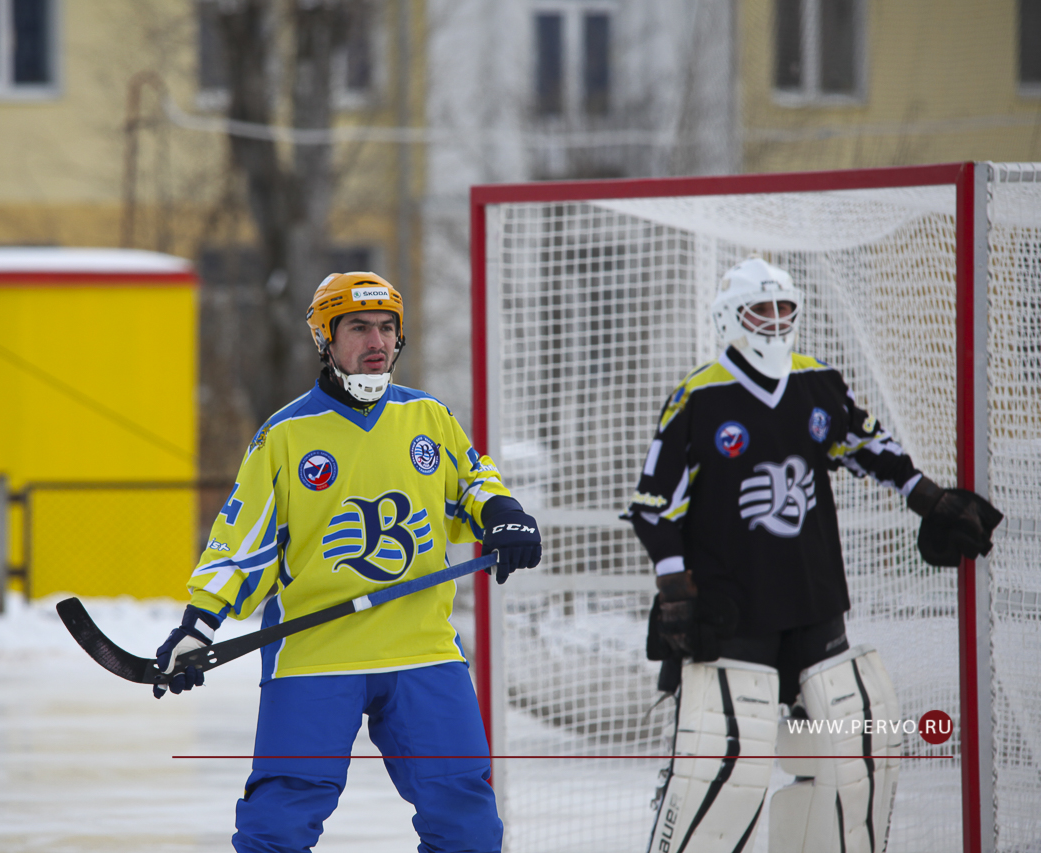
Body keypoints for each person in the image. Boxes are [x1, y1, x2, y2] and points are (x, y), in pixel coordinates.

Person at [621, 257, 1002, 853]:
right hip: (732, 612)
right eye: (760, 309)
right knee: (721, 775)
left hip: (814, 602)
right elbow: (653, 508)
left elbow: (867, 445)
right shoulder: (698, 398)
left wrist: (928, 498)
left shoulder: (817, 382)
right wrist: (674, 589)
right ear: (730, 318)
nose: (775, 321)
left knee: (852, 764)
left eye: (784, 308)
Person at [153, 271, 542, 853]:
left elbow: (471, 484)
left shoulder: (429, 418)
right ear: (325, 338)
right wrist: (198, 626)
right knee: (278, 826)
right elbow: (240, 544)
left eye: (386, 327)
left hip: (423, 648)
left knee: (467, 819)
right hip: (316, 653)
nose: (376, 342)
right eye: (358, 327)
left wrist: (503, 513)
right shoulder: (284, 435)